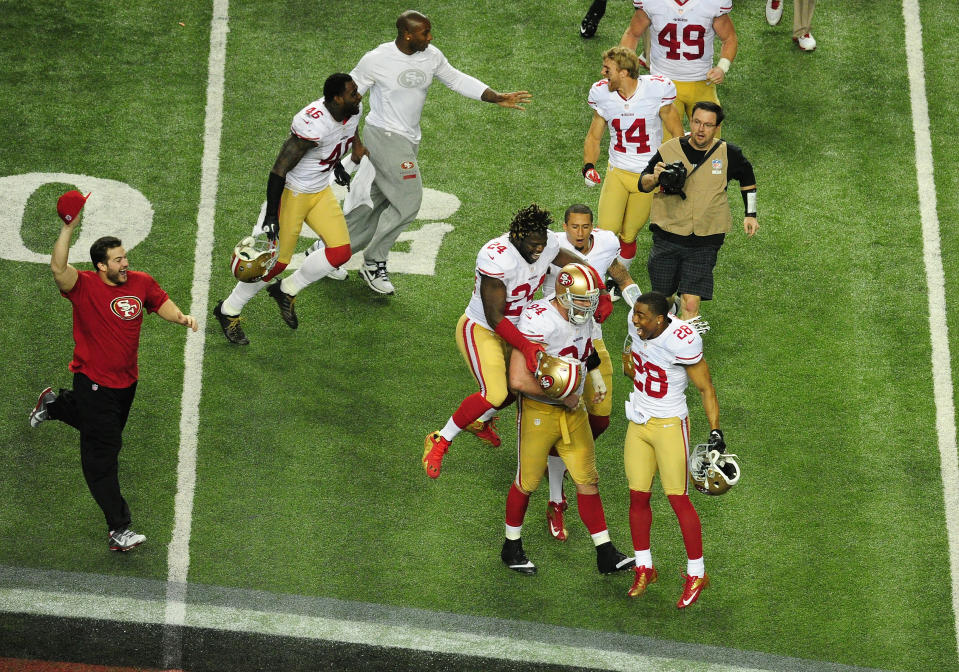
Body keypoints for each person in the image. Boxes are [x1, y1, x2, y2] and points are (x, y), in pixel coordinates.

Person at [29, 191, 198, 552]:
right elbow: (58, 268)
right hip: (92, 382)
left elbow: (160, 302)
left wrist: (180, 317)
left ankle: (55, 405)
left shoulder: (140, 281)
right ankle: (119, 529)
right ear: (101, 266)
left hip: (126, 383)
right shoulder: (83, 286)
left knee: (102, 429)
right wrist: (67, 228)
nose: (126, 263)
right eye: (119, 260)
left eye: (125, 258)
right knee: (102, 456)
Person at [343, 10, 532, 296]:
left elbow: (456, 79)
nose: (430, 37)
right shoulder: (376, 60)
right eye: (424, 33)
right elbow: (348, 97)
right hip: (383, 135)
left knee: (377, 200)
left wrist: (494, 97)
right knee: (409, 201)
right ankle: (374, 262)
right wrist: (353, 141)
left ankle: (331, 249)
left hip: (407, 140)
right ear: (407, 34)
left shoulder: (430, 55)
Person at [423, 205, 612, 479]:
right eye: (533, 245)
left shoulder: (545, 242)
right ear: (517, 237)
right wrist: (525, 345)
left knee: (516, 387)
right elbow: (495, 316)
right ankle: (441, 438)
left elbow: (578, 263)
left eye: (542, 245)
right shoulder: (496, 257)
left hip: (518, 327)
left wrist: (602, 290)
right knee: (495, 393)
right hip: (483, 328)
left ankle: (482, 421)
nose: (539, 251)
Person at [500, 263, 634, 576]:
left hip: (574, 411)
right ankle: (511, 547)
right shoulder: (538, 319)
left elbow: (585, 350)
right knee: (528, 481)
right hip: (539, 410)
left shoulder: (582, 318)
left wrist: (596, 375)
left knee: (588, 479)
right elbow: (518, 380)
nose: (588, 307)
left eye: (591, 300)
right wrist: (562, 396)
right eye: (583, 300)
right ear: (562, 296)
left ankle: (605, 552)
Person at [212, 73, 366, 345]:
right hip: (293, 194)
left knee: (341, 252)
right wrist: (272, 214)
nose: (359, 96)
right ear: (337, 98)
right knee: (274, 263)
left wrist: (338, 165)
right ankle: (228, 310)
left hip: (319, 191)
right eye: (353, 93)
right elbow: (279, 169)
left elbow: (347, 134)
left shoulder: (352, 111)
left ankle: (287, 290)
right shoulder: (313, 124)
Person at [541, 204, 643, 542]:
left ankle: (555, 457)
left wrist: (641, 306)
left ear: (592, 227)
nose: (580, 233)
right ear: (564, 227)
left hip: (592, 343)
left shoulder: (608, 243)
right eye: (574, 227)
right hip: (556, 346)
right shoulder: (551, 247)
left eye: (585, 227)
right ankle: (556, 500)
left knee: (600, 419)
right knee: (562, 426)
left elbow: (620, 273)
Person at [622, 291, 724, 608]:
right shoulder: (637, 322)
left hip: (668, 425)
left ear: (661, 319)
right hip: (638, 422)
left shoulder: (682, 340)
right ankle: (644, 567)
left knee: (678, 498)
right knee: (637, 496)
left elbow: (705, 387)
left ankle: (698, 573)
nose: (635, 320)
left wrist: (716, 430)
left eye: (642, 316)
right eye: (635, 313)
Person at [638, 101, 758, 327]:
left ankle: (683, 357)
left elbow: (748, 178)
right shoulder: (668, 149)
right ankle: (668, 323)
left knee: (691, 304)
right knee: (663, 299)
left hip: (705, 240)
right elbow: (642, 184)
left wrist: (750, 213)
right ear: (690, 121)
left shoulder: (729, 154)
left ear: (717, 128)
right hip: (667, 236)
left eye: (708, 125)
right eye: (697, 122)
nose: (701, 129)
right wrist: (654, 178)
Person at [582, 46, 683, 278]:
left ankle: (618, 280)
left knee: (629, 234)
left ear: (623, 73)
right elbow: (594, 136)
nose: (602, 73)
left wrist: (677, 165)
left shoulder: (656, 90)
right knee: (606, 234)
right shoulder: (601, 94)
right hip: (617, 171)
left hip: (646, 176)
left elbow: (676, 131)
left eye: (608, 69)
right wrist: (588, 165)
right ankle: (596, 281)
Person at [620, 0, 739, 138]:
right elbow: (632, 34)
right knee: (666, 148)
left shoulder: (711, 3)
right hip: (662, 84)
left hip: (701, 82)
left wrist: (722, 68)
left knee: (711, 146)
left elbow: (729, 38)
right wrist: (626, 69)